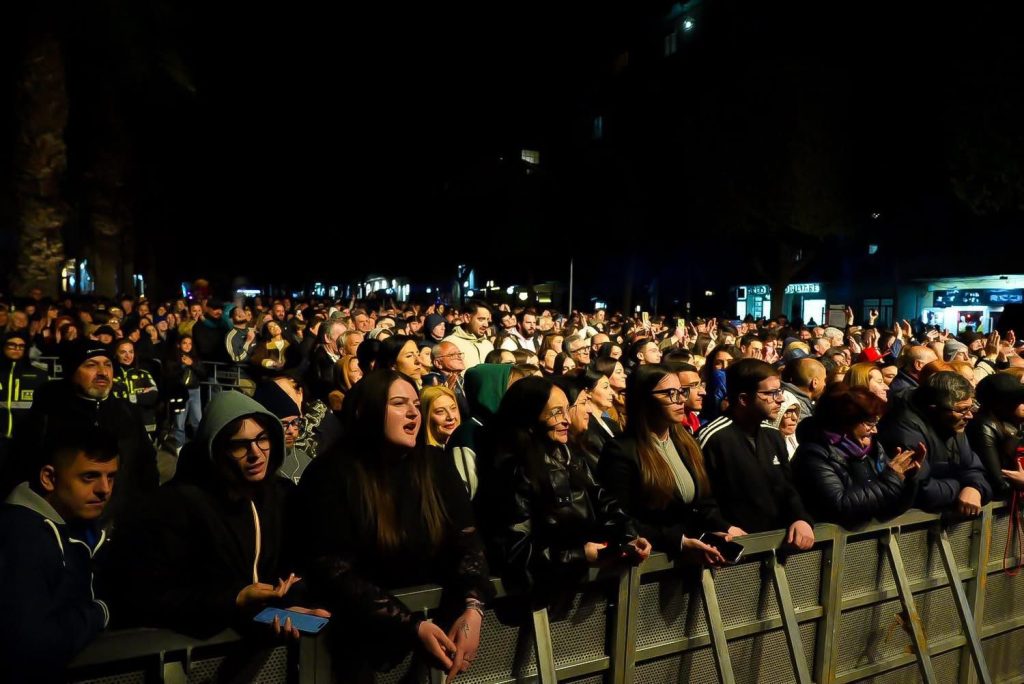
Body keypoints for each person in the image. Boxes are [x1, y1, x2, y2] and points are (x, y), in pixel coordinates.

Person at [292, 370, 491, 678]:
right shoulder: (332, 473)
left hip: (431, 636)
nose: (413, 412)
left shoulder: (434, 463)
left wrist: (472, 608)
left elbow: (467, 542)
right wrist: (411, 625)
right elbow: (332, 568)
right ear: (364, 410)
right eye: (399, 403)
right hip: (355, 649)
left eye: (415, 403)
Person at [101, 392, 326, 638]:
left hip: (260, 649)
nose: (255, 453)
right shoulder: (174, 505)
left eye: (263, 439)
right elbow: (150, 594)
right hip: (197, 654)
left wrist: (288, 602)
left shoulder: (280, 496)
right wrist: (235, 599)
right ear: (216, 449)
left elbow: (293, 565)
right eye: (239, 445)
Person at [483, 376, 651, 597]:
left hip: (581, 592)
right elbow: (517, 551)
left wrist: (628, 533)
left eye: (566, 410)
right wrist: (580, 555)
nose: (567, 420)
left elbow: (601, 498)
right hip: (540, 601)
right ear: (528, 417)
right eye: (555, 412)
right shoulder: (513, 470)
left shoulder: (569, 454)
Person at [0, 428, 118, 683]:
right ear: (49, 478)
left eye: (111, 477)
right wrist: (100, 612)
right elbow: (31, 649)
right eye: (90, 477)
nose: (104, 489)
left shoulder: (82, 524)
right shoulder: (22, 538)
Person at [598, 365, 743, 563]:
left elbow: (703, 502)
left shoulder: (686, 442)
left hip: (695, 560)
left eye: (681, 392)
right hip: (654, 565)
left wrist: (721, 528)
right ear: (644, 400)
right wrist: (680, 541)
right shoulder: (621, 451)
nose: (681, 399)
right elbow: (622, 518)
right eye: (670, 394)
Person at [698, 359, 815, 549]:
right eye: (770, 393)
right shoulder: (713, 438)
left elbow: (787, 488)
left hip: (776, 546)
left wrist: (800, 518)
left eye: (779, 391)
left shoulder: (773, 435)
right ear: (743, 399)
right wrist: (723, 526)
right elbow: (699, 498)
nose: (781, 399)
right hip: (733, 549)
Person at [792, 385, 923, 528]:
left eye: (876, 422)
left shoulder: (873, 450)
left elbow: (887, 509)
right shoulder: (814, 455)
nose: (875, 430)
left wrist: (908, 479)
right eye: (869, 423)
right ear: (843, 422)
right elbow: (839, 506)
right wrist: (890, 480)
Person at [878, 371, 992, 515]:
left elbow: (973, 468)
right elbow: (921, 490)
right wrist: (960, 486)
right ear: (934, 409)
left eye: (971, 407)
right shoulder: (903, 429)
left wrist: (974, 488)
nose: (970, 416)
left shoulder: (953, 425)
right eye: (962, 410)